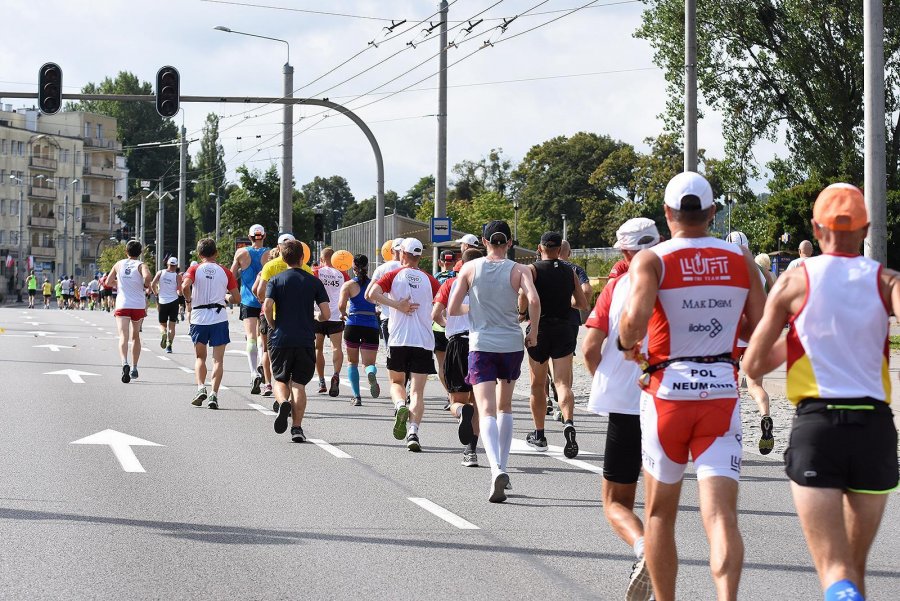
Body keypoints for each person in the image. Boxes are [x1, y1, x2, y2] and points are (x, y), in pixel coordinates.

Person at [744, 183, 899, 601]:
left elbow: (753, 364)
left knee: (835, 572)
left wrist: (800, 338)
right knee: (854, 568)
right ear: (866, 228)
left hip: (819, 427)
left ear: (816, 226)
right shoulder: (887, 281)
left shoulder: (795, 281)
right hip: (874, 429)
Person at [617, 172, 766, 601]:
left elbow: (632, 321)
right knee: (722, 517)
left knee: (661, 514)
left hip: (668, 392)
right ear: (712, 213)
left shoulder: (653, 259)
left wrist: (628, 344)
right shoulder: (741, 259)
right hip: (721, 390)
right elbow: (758, 329)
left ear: (667, 214)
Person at [582, 217, 660, 601]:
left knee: (615, 502)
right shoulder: (677, 281)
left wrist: (605, 379)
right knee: (662, 497)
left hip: (627, 404)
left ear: (625, 252)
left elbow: (590, 348)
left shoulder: (616, 286)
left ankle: (644, 546)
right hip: (671, 401)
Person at [448, 220, 540, 503]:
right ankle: (504, 466)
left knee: (485, 409)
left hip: (481, 343)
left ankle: (495, 470)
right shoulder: (520, 269)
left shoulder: (469, 268)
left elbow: (452, 308)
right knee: (505, 406)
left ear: (484, 242)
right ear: (509, 243)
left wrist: (473, 306)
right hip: (511, 342)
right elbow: (534, 300)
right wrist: (533, 331)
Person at [366, 237, 441, 452]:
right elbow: (443, 303)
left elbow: (371, 294)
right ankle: (413, 432)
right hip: (424, 341)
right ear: (419, 256)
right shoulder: (430, 279)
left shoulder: (394, 274)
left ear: (402, 254)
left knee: (397, 383)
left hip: (399, 339)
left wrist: (396, 305)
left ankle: (400, 406)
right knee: (417, 391)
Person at [522, 231, 588, 458]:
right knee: (562, 383)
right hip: (563, 330)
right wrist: (564, 300)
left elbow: (524, 296)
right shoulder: (570, 271)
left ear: (540, 248)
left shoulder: (532, 270)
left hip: (539, 329)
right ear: (560, 250)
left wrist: (522, 313)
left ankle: (539, 435)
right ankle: (568, 421)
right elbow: (582, 302)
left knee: (537, 385)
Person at [265, 239, 330, 443]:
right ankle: (297, 428)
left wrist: (273, 324)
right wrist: (316, 317)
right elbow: (326, 314)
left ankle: (283, 402)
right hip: (305, 338)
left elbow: (267, 306)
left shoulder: (275, 280)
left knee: (280, 379)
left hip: (281, 337)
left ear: (283, 258)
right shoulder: (313, 281)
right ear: (303, 258)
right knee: (299, 384)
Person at [432, 247, 484, 467]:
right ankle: (471, 451)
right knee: (480, 401)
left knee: (458, 401)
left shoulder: (450, 283)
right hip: (482, 344)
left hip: (457, 344)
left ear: (462, 263)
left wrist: (449, 326)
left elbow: (435, 315)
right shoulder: (487, 284)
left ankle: (461, 412)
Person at [726, 231, 775, 455]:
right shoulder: (761, 270)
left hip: (734, 332)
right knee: (755, 385)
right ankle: (765, 415)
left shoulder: (724, 267)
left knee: (729, 385)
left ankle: (730, 432)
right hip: (758, 331)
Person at [255, 235, 314, 403]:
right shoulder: (307, 269)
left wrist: (268, 303)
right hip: (299, 320)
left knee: (269, 353)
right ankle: (286, 397)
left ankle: (269, 385)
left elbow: (259, 292)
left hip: (272, 317)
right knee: (294, 366)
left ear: (279, 248)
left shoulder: (270, 266)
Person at [183, 238, 239, 410]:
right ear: (216, 253)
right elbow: (237, 298)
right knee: (218, 360)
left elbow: (185, 286)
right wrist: (225, 297)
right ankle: (214, 394)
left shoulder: (194, 268)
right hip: (219, 317)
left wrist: (188, 300)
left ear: (200, 255)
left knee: (200, 357)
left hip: (199, 317)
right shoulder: (225, 272)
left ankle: (201, 387)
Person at [105, 240, 152, 384]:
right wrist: (145, 284)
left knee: (123, 336)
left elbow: (107, 282)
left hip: (122, 304)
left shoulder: (118, 264)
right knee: (135, 336)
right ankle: (134, 367)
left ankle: (124, 362)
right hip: (138, 305)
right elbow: (148, 277)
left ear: (126, 251)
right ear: (140, 252)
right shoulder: (141, 265)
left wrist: (119, 283)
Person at [231, 224, 270, 395]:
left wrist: (241, 270)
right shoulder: (270, 253)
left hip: (247, 299)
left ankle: (254, 372)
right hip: (265, 299)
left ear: (250, 237)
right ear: (264, 236)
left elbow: (231, 276)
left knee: (251, 338)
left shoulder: (241, 253)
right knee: (263, 338)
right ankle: (262, 364)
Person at [338, 254, 381, 406]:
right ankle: (370, 372)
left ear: (353, 267)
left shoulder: (348, 285)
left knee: (352, 362)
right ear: (367, 267)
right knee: (369, 363)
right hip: (371, 325)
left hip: (353, 324)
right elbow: (378, 303)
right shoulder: (374, 284)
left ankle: (357, 396)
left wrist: (344, 314)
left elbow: (341, 306)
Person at [313, 247, 348, 397]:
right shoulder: (343, 275)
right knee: (336, 347)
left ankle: (321, 380)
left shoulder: (316, 272)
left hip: (318, 314)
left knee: (318, 348)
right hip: (336, 316)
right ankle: (336, 375)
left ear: (321, 259)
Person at [433, 251, 458, 410]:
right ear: (455, 261)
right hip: (458, 327)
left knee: (442, 365)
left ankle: (450, 395)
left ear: (440, 261)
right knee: (458, 364)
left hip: (438, 326)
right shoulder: (459, 278)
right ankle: (459, 395)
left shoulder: (435, 278)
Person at [369, 238, 404, 350]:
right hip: (407, 319)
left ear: (392, 251)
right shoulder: (413, 269)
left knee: (392, 359)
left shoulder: (381, 269)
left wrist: (380, 303)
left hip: (388, 317)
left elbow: (368, 295)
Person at [151, 257, 182, 354]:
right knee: (172, 326)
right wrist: (179, 293)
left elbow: (153, 284)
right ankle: (169, 346)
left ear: (167, 264)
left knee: (162, 324)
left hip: (162, 301)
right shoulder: (177, 276)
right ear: (176, 266)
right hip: (174, 302)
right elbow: (180, 291)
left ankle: (163, 333)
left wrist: (156, 293)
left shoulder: (160, 273)